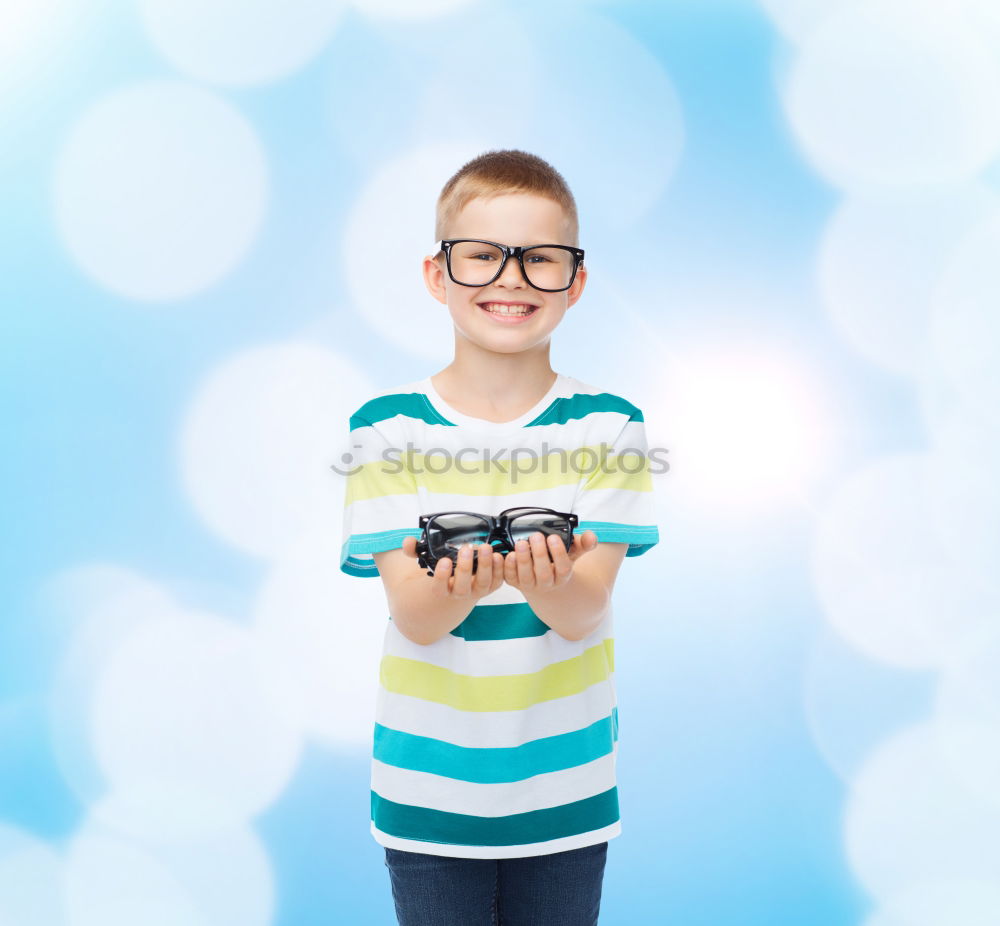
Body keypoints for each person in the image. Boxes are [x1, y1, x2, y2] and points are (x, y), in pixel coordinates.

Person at [339, 148, 660, 925]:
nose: (510, 279)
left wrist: (549, 584)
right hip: (429, 791)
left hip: (565, 788)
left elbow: (584, 613)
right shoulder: (384, 429)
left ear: (574, 281)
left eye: (539, 259)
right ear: (438, 274)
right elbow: (414, 617)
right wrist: (466, 586)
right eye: (482, 256)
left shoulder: (612, 425)